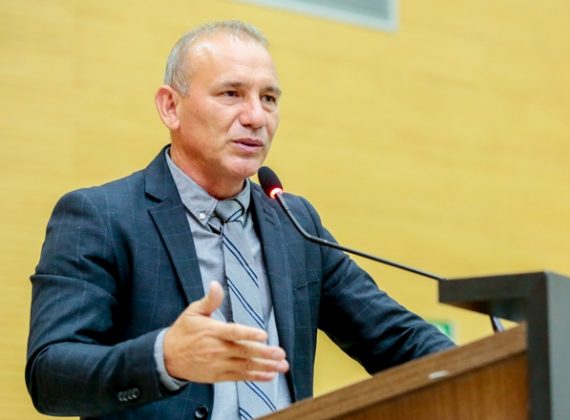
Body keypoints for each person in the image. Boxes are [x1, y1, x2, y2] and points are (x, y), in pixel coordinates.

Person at [26, 21, 454, 420]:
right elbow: (50, 375)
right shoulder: (102, 216)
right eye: (231, 94)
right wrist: (164, 357)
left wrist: (492, 362)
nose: (256, 117)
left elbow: (395, 337)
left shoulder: (295, 223)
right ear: (170, 107)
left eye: (269, 98)